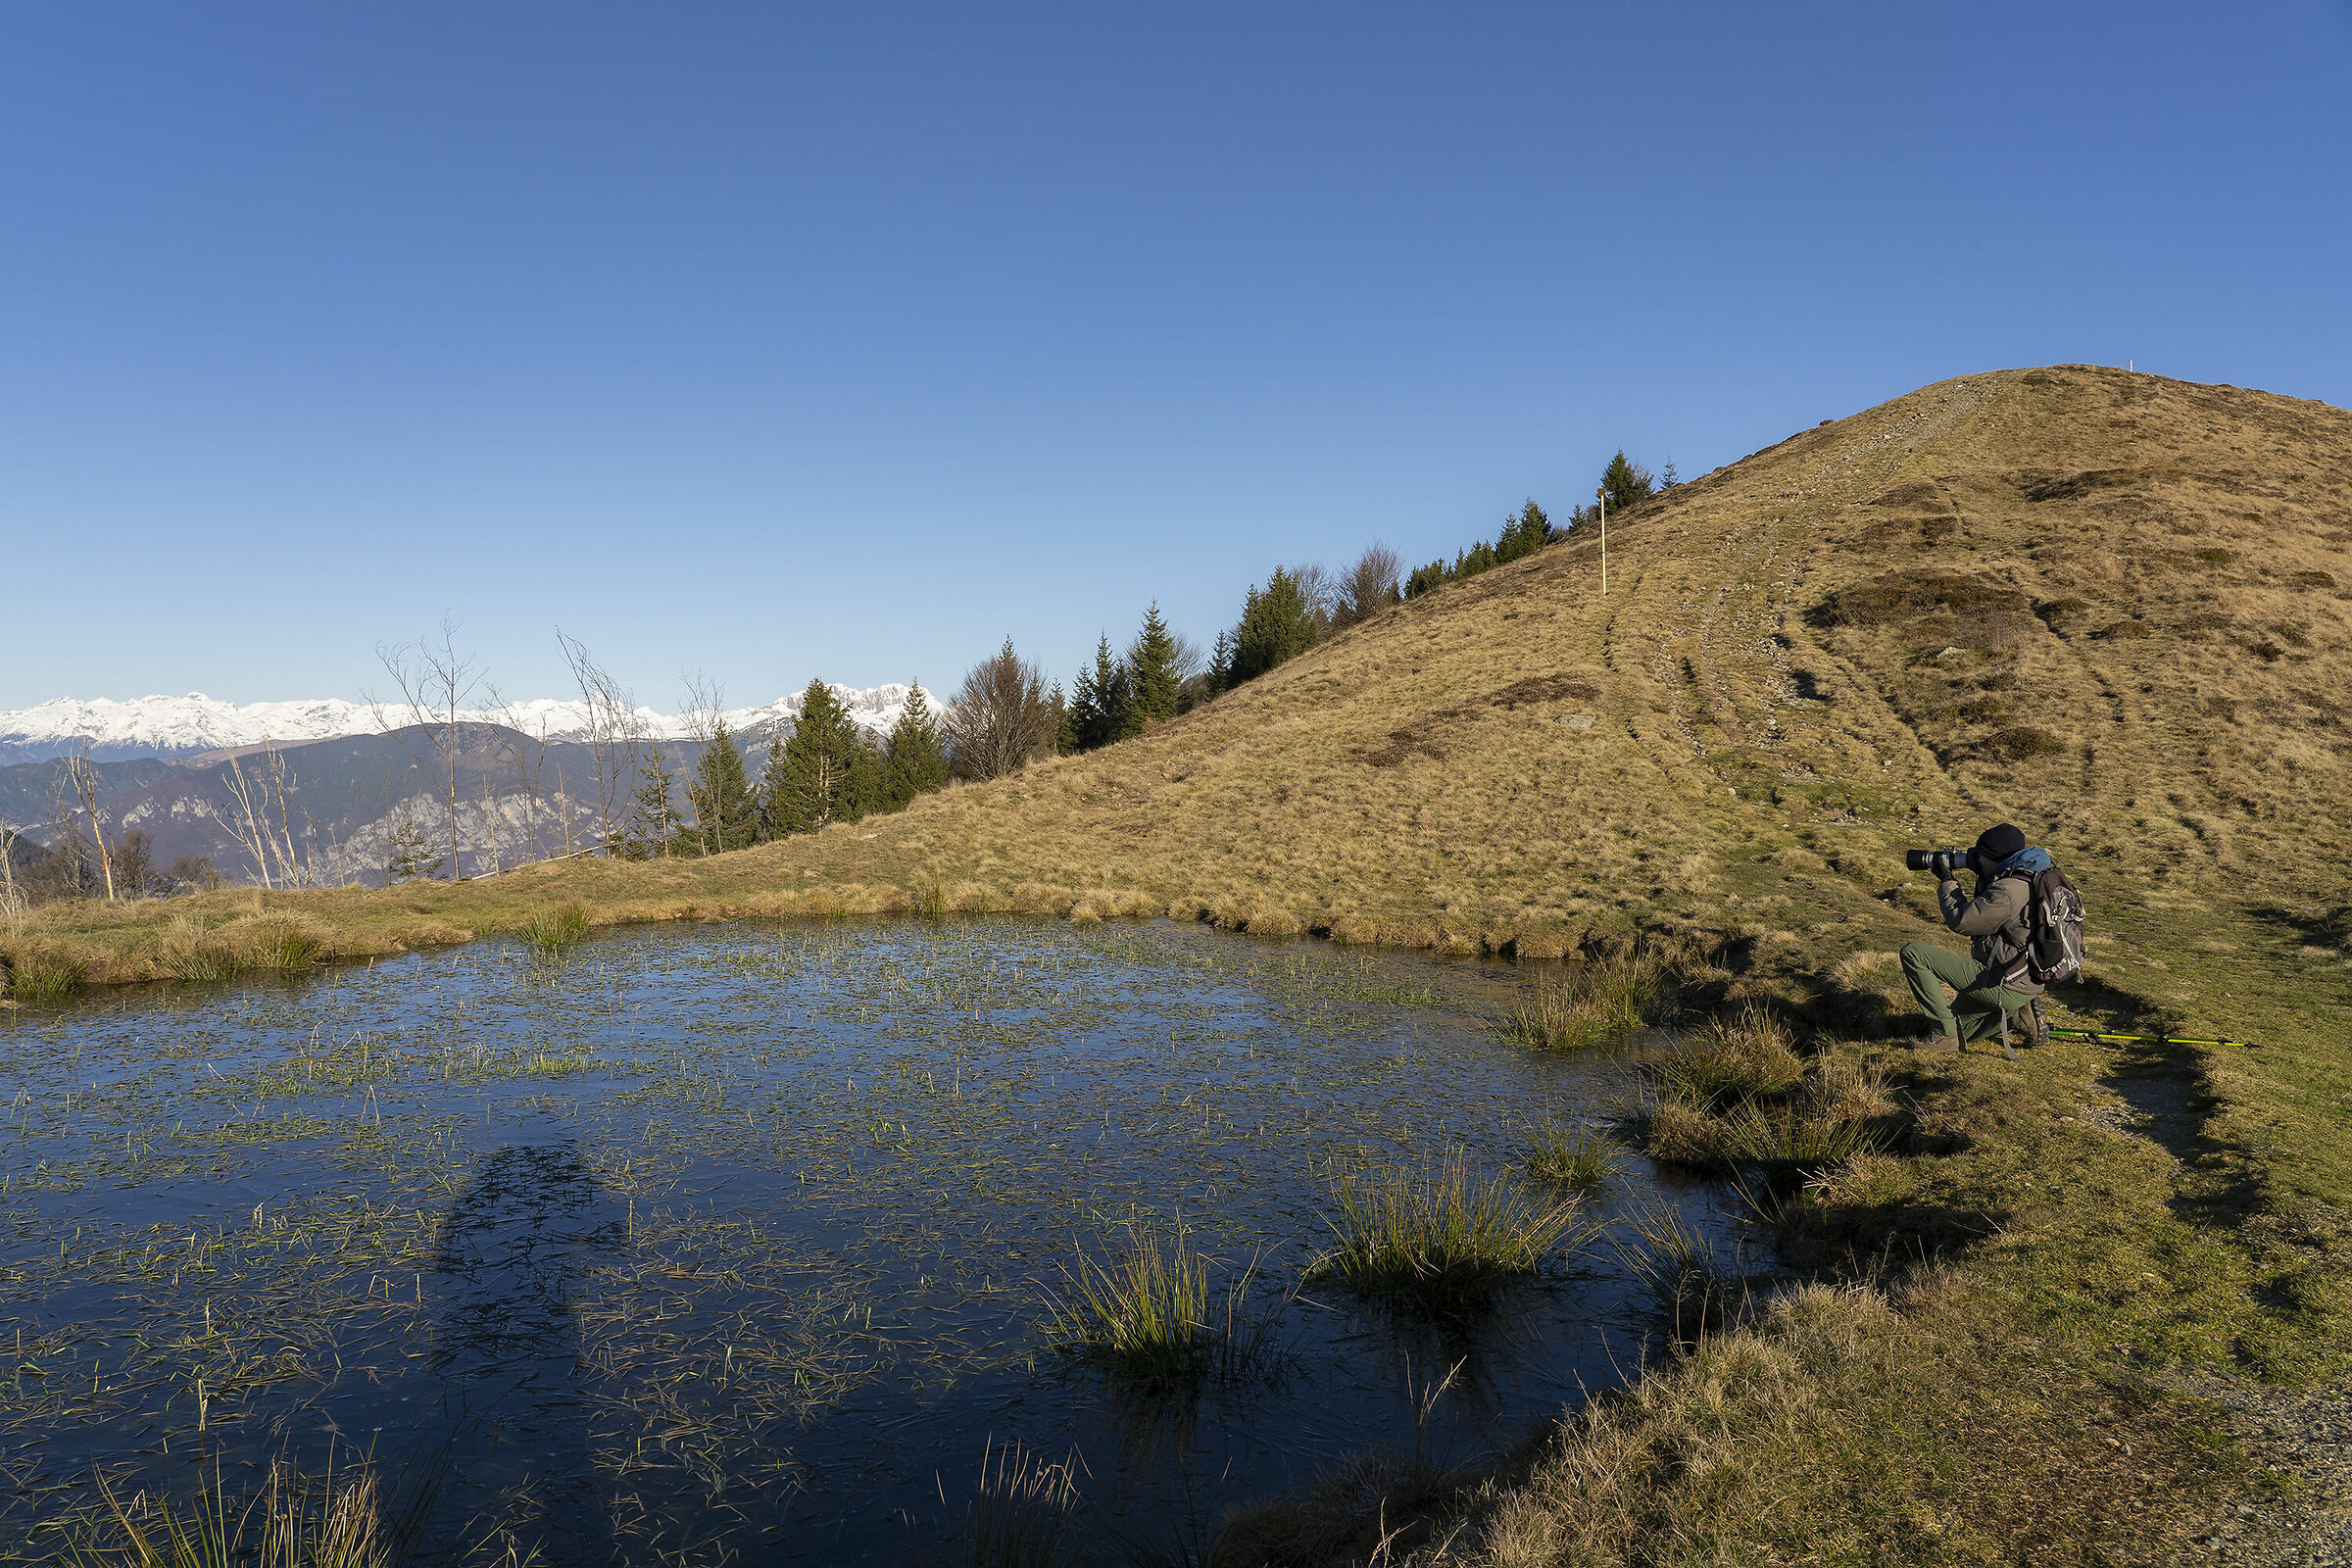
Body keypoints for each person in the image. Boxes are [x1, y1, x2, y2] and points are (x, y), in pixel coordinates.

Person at [1900, 821, 2050, 1054]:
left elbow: (1962, 921)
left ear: (1996, 857)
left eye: (1981, 855)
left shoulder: (2008, 890)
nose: (1976, 859)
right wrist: (1984, 874)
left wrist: (1947, 880)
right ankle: (2016, 1017)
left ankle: (1944, 1033)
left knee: (1914, 953)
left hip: (2004, 980)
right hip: (2022, 976)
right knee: (1961, 1027)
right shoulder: (2027, 874)